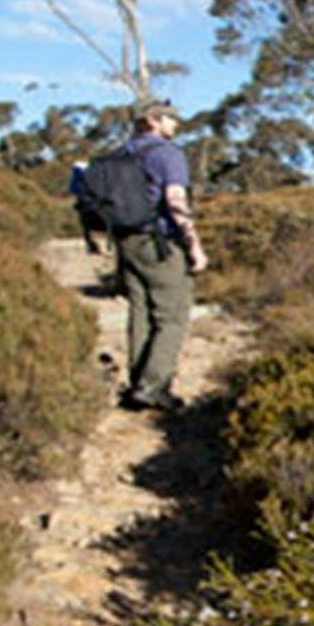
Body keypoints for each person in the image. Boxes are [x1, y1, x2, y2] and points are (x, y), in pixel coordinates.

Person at [110, 100, 209, 412]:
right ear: (153, 120)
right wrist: (194, 243)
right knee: (172, 316)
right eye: (170, 118)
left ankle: (138, 382)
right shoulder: (168, 154)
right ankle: (153, 388)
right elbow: (175, 198)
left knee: (140, 313)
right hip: (159, 242)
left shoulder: (120, 152)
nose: (176, 124)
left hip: (126, 240)